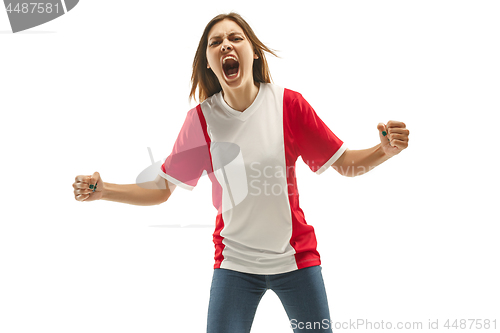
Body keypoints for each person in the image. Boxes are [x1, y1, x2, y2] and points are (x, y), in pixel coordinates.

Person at [73, 12, 410, 333]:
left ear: (254, 52)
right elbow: (162, 189)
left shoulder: (288, 106)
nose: (226, 45)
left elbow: (345, 164)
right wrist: (104, 191)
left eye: (235, 37)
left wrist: (385, 150)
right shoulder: (202, 121)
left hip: (296, 261)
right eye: (215, 42)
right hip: (234, 266)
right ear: (209, 61)